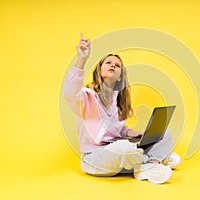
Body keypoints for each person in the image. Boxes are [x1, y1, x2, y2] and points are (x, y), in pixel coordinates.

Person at [63, 33, 181, 184]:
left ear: (119, 75)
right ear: (99, 70)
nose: (113, 65)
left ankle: (149, 164)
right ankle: (155, 159)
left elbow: (116, 130)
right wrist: (82, 59)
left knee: (164, 132)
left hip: (117, 150)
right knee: (123, 148)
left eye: (117, 65)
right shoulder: (86, 96)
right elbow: (69, 93)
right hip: (94, 158)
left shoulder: (117, 99)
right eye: (108, 63)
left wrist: (133, 133)